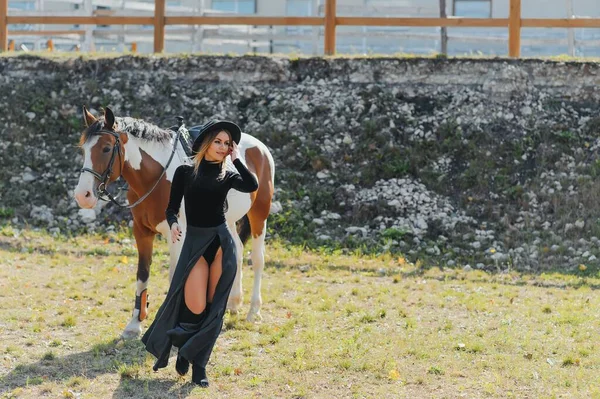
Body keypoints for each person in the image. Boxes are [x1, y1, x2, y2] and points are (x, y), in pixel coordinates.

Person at [142, 120, 258, 387]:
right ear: (206, 143)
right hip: (195, 243)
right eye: (218, 141)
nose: (222, 147)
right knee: (195, 307)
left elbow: (251, 185)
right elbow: (171, 208)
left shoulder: (228, 175)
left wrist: (237, 159)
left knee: (214, 309)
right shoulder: (184, 172)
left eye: (227, 143)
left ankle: (199, 366)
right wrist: (172, 224)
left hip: (221, 243)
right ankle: (185, 348)